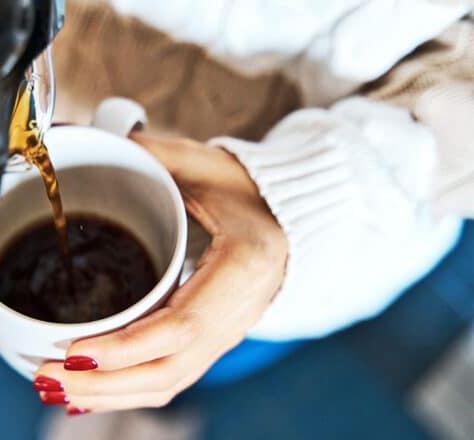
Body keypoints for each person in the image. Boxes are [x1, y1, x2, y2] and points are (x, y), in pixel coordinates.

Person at [32, 0, 474, 415]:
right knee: (165, 355)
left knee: (206, 352)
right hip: (68, 71)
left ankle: (168, 406)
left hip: (340, 227)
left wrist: (298, 206)